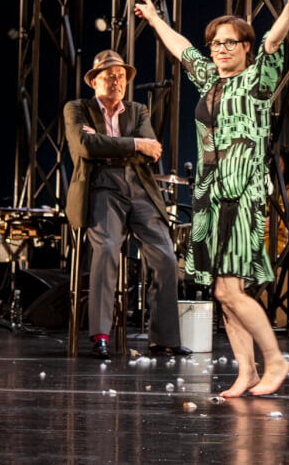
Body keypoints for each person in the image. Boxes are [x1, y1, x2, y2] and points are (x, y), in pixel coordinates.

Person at [134, 0, 289, 397]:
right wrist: (155, 20)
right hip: (210, 195)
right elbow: (183, 49)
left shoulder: (257, 81)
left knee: (230, 288)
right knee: (223, 292)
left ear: (245, 47)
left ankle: (275, 360)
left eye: (230, 43)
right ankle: (247, 371)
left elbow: (273, 41)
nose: (220, 49)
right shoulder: (210, 81)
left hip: (242, 194)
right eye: (216, 43)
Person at [64, 49, 183, 359]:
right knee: (106, 249)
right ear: (94, 81)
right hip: (103, 186)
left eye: (121, 76)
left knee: (166, 257)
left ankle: (164, 339)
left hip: (140, 187)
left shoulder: (138, 110)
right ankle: (100, 335)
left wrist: (114, 146)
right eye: (109, 76)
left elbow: (151, 151)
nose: (117, 81)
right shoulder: (77, 109)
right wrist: (134, 144)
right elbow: (85, 146)